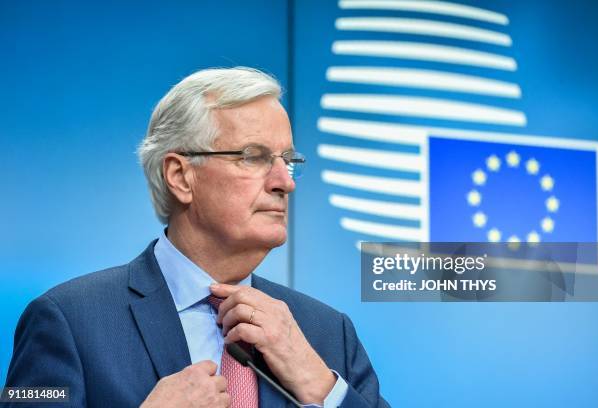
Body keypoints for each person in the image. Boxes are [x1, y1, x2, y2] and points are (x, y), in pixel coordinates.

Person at [5, 67, 389, 407]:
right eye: (253, 157)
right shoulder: (69, 320)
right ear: (180, 176)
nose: (284, 182)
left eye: (288, 161)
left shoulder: (326, 332)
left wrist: (320, 387)